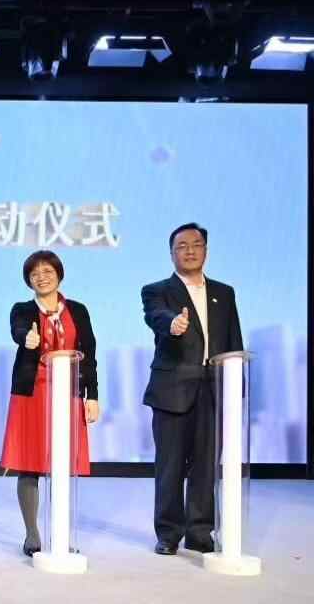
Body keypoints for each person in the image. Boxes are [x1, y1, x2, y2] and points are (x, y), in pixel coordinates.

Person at [141, 223, 243, 556]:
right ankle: (168, 533)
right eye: (182, 246)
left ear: (206, 250)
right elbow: (156, 316)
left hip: (213, 389)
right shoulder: (156, 290)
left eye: (196, 244)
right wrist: (172, 324)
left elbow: (233, 339)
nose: (189, 251)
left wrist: (236, 390)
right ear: (172, 253)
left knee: (206, 465)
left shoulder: (224, 293)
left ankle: (200, 532)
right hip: (172, 389)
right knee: (169, 466)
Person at [0, 250, 100, 556]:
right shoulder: (23, 309)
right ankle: (32, 535)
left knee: (62, 464)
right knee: (28, 465)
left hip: (68, 393)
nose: (41, 278)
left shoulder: (78, 310)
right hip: (32, 394)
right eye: (34, 274)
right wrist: (27, 338)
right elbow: (19, 330)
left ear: (59, 274)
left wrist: (92, 396)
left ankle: (60, 533)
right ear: (28, 281)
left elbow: (90, 355)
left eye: (47, 271)